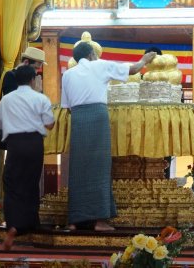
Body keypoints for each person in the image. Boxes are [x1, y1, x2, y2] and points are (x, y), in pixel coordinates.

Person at [61, 42, 156, 231]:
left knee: (78, 168)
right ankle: (99, 221)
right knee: (99, 168)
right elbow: (133, 70)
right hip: (97, 116)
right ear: (91, 54)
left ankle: (74, 220)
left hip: (78, 119)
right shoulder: (100, 64)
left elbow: (67, 107)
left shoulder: (68, 74)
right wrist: (144, 60)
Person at [0, 64, 55, 250]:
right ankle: (30, 223)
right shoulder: (40, 98)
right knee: (31, 183)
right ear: (32, 80)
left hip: (15, 144)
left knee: (12, 185)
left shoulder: (6, 100)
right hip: (35, 144)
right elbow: (50, 123)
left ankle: (13, 225)